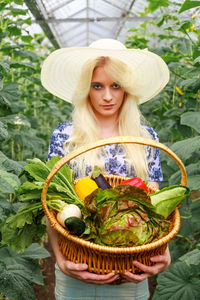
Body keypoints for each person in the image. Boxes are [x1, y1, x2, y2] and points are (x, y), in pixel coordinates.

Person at [41, 38, 171, 300]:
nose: (108, 96)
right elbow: (52, 207)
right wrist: (60, 259)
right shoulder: (65, 136)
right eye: (97, 86)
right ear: (86, 89)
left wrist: (163, 253)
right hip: (77, 268)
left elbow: (156, 204)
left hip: (130, 271)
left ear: (127, 89)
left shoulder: (146, 136)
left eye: (116, 85)